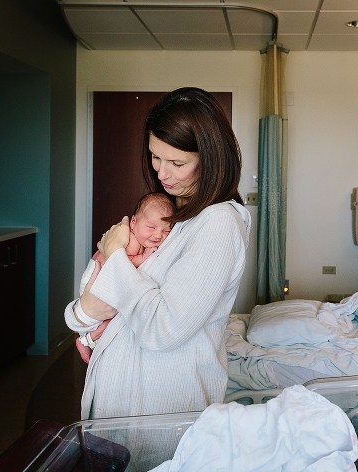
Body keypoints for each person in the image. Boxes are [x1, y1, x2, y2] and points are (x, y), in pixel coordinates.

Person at [64, 87, 251, 420]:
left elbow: (162, 329)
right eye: (155, 157)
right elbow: (87, 309)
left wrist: (114, 253)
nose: (162, 173)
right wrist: (82, 313)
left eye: (177, 162)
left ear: (210, 158)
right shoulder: (174, 214)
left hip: (161, 413)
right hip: (123, 404)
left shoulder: (218, 223)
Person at [74, 192, 175, 363]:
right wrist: (143, 258)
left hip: (100, 282)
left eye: (167, 230)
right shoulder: (131, 240)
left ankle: (90, 339)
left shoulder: (138, 237)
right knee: (116, 316)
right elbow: (120, 262)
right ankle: (87, 340)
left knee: (117, 316)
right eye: (151, 227)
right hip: (94, 281)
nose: (158, 235)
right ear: (133, 222)